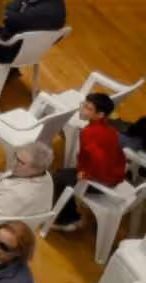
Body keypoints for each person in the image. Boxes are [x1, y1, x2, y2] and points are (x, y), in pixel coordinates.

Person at [51, 91, 126, 230]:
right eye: (84, 105)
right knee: (62, 173)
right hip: (114, 176)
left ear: (100, 114)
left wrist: (86, 174)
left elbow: (100, 161)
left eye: (88, 108)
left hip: (101, 181)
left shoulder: (90, 132)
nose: (82, 109)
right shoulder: (109, 129)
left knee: (58, 178)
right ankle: (69, 214)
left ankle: (67, 219)